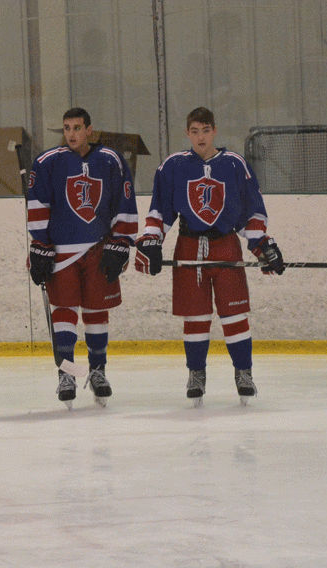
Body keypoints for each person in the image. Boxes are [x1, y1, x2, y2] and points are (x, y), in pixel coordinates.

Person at [134, 106, 285, 407]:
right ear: (187, 133)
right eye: (194, 131)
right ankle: (196, 374)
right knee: (196, 317)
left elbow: (250, 214)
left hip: (226, 245)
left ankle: (243, 373)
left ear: (214, 130)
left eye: (205, 130)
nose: (200, 137)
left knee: (235, 315)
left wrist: (263, 244)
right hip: (189, 247)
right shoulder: (173, 166)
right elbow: (159, 213)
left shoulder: (234, 164)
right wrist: (151, 241)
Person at [26, 107, 138, 409]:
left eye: (77, 128)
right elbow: (38, 206)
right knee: (64, 309)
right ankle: (68, 374)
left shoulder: (110, 160)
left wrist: (121, 241)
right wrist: (40, 246)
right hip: (61, 252)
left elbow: (124, 203)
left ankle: (98, 371)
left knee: (96, 310)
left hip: (98, 248)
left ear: (89, 129)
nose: (72, 134)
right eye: (67, 128)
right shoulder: (48, 162)